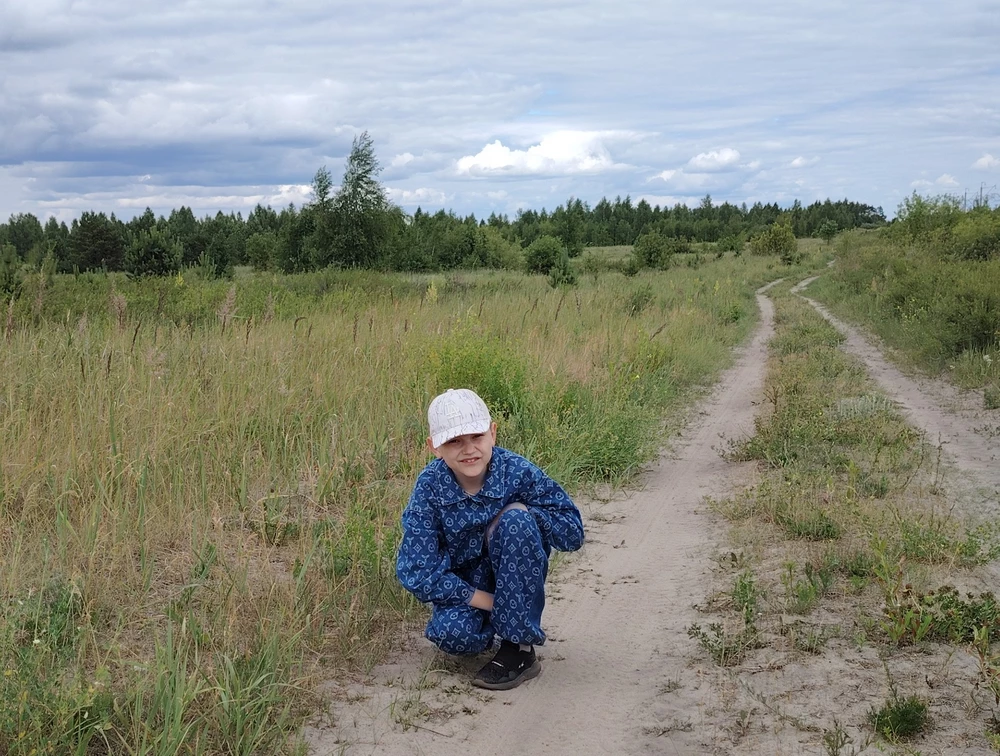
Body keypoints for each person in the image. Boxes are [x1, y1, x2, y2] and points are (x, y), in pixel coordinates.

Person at [396, 388, 585, 690]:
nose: (468, 449)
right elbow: (416, 569)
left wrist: (525, 515)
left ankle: (518, 647)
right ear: (434, 447)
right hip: (466, 588)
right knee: (452, 635)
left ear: (493, 433)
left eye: (477, 436)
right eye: (454, 441)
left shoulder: (518, 471)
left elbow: (572, 532)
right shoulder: (429, 488)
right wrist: (490, 603)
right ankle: (496, 623)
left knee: (516, 521)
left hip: (515, 575)